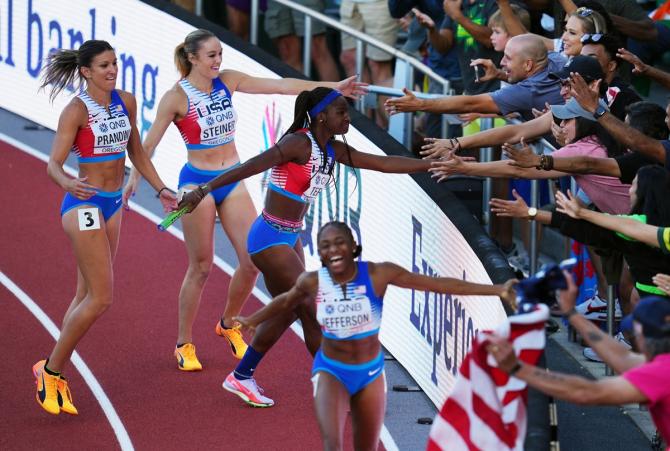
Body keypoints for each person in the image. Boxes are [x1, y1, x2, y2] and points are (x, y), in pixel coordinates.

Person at [123, 29, 368, 371]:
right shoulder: (176, 97)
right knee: (202, 266)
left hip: (232, 178)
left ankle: (228, 323)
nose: (218, 61)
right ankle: (184, 342)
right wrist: (135, 180)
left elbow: (281, 85)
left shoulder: (229, 81)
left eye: (220, 54)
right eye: (211, 56)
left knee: (252, 261)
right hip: (196, 182)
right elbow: (147, 145)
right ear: (192, 57)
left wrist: (331, 90)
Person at [178, 87, 435, 406]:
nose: (348, 118)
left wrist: (431, 166)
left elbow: (382, 164)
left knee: (292, 309)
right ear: (321, 116)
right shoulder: (298, 143)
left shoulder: (333, 150)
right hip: (269, 237)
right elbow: (251, 166)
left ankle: (242, 377)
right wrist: (203, 190)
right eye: (341, 111)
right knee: (313, 304)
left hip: (290, 237)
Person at [232, 221, 517, 448]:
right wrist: (253, 319)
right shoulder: (312, 280)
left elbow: (439, 284)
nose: (333, 250)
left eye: (339, 243)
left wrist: (496, 290)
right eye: (325, 246)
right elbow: (285, 302)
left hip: (369, 373)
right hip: (330, 369)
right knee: (332, 441)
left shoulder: (380, 274)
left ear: (353, 246)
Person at [34, 40, 177, 415]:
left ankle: (53, 367)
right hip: (84, 203)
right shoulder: (75, 111)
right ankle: (50, 371)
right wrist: (66, 182)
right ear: (86, 72)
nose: (113, 70)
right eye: (104, 66)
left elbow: (136, 152)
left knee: (85, 293)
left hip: (113, 204)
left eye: (114, 63)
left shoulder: (126, 101)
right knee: (102, 297)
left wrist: (160, 188)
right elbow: (53, 163)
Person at [487, 271, 670, 446]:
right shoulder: (661, 366)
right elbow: (622, 357)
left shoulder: (660, 372)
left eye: (634, 334)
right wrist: (571, 314)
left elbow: (586, 392)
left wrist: (518, 369)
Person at [385, 34, 565, 122]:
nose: (501, 62)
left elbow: (470, 104)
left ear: (528, 65)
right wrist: (500, 74)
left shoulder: (527, 91)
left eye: (508, 58)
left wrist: (421, 105)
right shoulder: (556, 59)